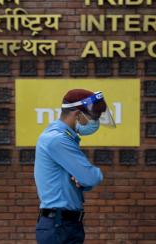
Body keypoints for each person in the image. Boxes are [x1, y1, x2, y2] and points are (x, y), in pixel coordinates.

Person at [34, 89, 116, 244]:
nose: (95, 122)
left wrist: (83, 180)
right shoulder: (58, 140)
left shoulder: (62, 137)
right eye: (93, 117)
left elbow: (83, 181)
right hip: (59, 226)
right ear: (78, 114)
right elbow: (91, 177)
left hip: (64, 224)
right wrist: (86, 178)